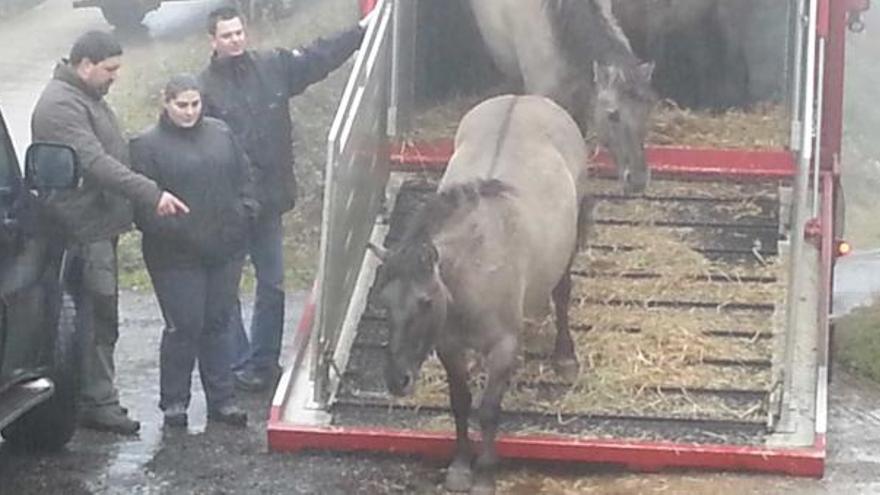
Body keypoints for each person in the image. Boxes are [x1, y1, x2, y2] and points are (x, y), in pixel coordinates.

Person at [199, 6, 375, 391]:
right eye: (226, 36)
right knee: (227, 291)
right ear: (212, 41)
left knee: (272, 283)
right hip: (227, 209)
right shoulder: (202, 92)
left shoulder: (273, 67)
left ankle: (264, 362)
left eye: (238, 33)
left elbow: (317, 57)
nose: (235, 40)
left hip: (270, 203)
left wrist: (361, 32)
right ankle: (238, 360)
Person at [30, 30, 189, 435]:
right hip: (83, 229)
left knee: (97, 314)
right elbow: (95, 162)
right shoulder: (61, 106)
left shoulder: (84, 97)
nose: (114, 77)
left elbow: (113, 151)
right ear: (85, 64)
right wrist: (150, 193)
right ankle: (97, 401)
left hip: (99, 224)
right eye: (110, 69)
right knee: (96, 316)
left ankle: (92, 396)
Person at [130, 75, 258, 428]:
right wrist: (180, 231)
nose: (189, 112)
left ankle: (222, 399)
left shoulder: (221, 133)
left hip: (224, 248)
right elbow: (142, 207)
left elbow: (245, 178)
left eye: (195, 104)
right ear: (165, 103)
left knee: (219, 322)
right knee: (184, 326)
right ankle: (174, 402)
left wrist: (245, 214)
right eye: (181, 105)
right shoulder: (145, 144)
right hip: (174, 256)